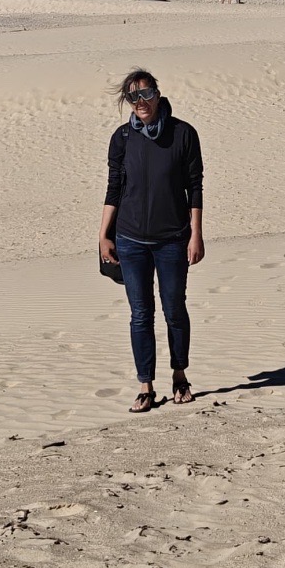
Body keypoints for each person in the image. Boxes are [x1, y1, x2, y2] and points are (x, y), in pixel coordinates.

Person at [98, 68, 205, 411]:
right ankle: (146, 385)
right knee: (140, 314)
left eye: (146, 94)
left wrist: (196, 234)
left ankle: (180, 377)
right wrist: (103, 235)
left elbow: (195, 187)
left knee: (174, 309)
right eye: (133, 96)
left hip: (172, 239)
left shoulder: (182, 134)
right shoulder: (122, 138)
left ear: (157, 95)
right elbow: (114, 188)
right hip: (130, 240)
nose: (140, 101)